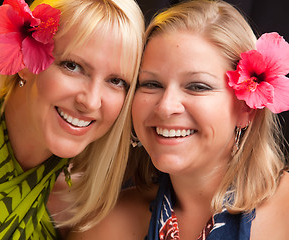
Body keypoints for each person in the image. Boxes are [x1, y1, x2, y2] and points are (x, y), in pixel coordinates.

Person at [67, 0, 289, 239]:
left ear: (246, 108)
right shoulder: (104, 227)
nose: (165, 107)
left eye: (197, 86)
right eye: (151, 84)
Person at [0, 0, 144, 239]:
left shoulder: (85, 205)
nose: (91, 102)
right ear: (24, 58)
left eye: (116, 81)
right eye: (72, 66)